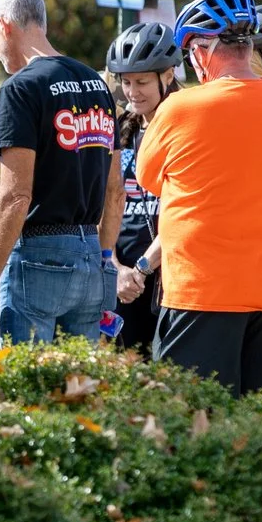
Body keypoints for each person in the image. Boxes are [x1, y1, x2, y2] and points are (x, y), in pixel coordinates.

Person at [133, 0, 262, 406]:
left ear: (200, 51)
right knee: (261, 427)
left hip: (201, 291)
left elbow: (148, 178)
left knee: (193, 423)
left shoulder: (178, 109)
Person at [0, 0, 119, 343]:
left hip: (39, 256)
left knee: (30, 387)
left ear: (5, 25)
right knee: (81, 389)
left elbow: (15, 196)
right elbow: (115, 192)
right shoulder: (96, 85)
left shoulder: (21, 88)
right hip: (91, 257)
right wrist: (105, 259)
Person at [104, 22, 182, 351]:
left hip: (170, 276)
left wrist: (142, 269)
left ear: (167, 76)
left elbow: (187, 212)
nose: (132, 91)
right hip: (123, 277)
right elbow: (104, 200)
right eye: (126, 82)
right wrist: (115, 267)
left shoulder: (186, 126)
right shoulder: (119, 127)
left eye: (142, 82)